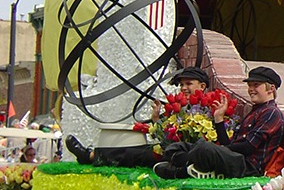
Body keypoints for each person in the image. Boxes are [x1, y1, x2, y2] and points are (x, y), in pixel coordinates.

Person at [153, 66, 284, 180]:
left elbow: (247, 147)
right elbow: (227, 144)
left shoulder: (272, 113)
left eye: (256, 85)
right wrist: (219, 119)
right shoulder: (255, 111)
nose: (251, 89)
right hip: (233, 158)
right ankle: (195, 168)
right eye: (250, 85)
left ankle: (181, 171)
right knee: (177, 147)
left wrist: (218, 150)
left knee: (204, 148)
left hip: (247, 167)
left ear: (271, 88)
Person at [66, 66, 212, 168]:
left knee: (139, 153)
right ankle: (91, 155)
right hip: (172, 151)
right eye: (181, 84)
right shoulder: (181, 107)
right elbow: (168, 138)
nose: (183, 88)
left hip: (189, 156)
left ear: (202, 86)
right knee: (136, 150)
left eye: (188, 84)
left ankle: (89, 156)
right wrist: (157, 120)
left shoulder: (210, 108)